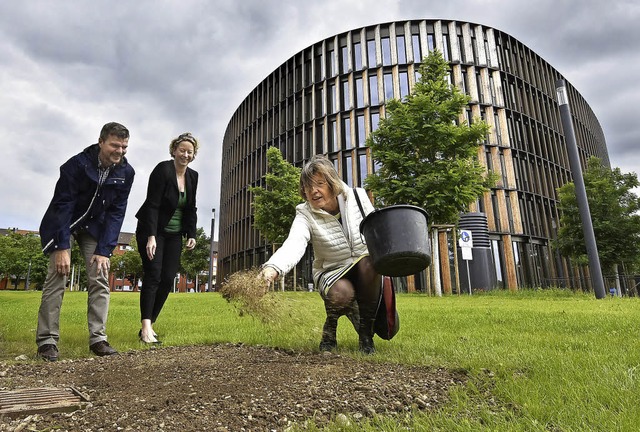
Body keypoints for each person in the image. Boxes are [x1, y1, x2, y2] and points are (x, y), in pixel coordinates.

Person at [260, 155, 381, 354]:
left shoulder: (357, 197)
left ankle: (366, 335)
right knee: (342, 295)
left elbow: (376, 230)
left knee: (369, 262)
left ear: (332, 183)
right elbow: (294, 242)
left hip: (364, 266)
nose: (314, 191)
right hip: (332, 270)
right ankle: (330, 326)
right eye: (308, 187)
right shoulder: (305, 213)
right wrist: (273, 268)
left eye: (319, 184)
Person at [36, 122, 135, 361]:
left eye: (124, 147)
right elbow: (63, 206)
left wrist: (105, 250)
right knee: (58, 275)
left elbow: (116, 213)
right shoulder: (76, 165)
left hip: (95, 227)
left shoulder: (126, 173)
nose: (119, 151)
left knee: (99, 277)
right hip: (65, 223)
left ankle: (98, 339)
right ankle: (47, 341)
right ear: (101, 142)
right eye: (114, 145)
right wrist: (62, 246)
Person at [135, 133, 199, 344]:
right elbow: (152, 204)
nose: (185, 154)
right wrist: (151, 236)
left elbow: (190, 208)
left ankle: (149, 324)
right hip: (152, 230)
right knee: (153, 275)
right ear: (174, 150)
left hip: (174, 234)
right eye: (182, 150)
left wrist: (191, 234)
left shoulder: (193, 176)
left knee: (168, 278)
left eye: (189, 152)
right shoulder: (162, 170)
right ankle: (145, 329)